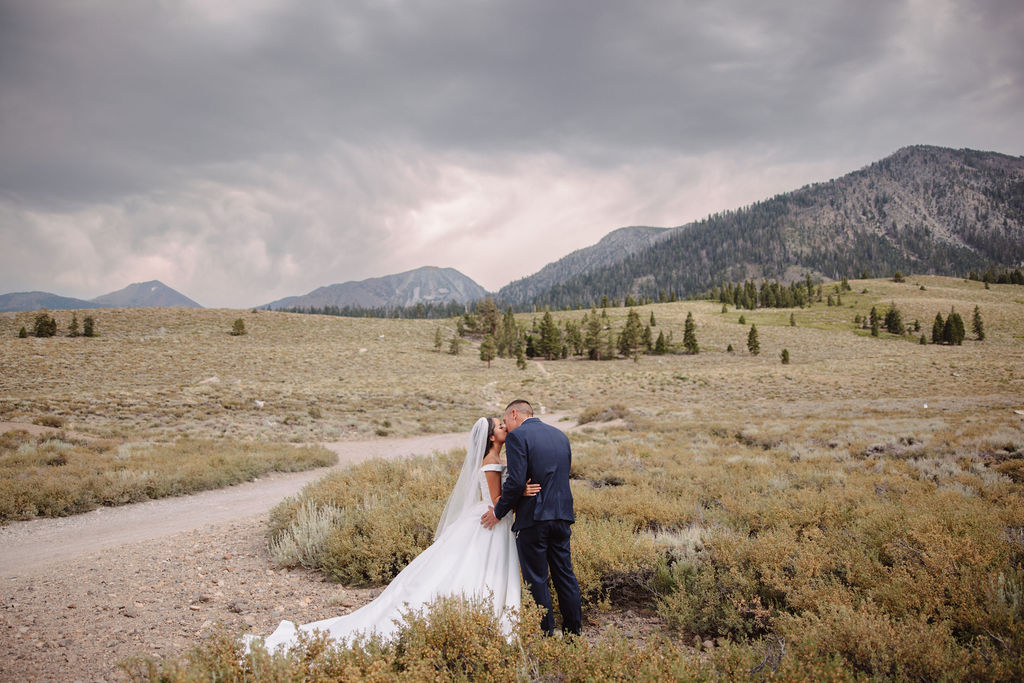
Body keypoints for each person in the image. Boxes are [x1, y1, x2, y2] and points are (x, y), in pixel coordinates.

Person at [245, 416, 539, 652]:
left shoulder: (493, 458)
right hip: (489, 521)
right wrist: (521, 493)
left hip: (485, 518)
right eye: (500, 426)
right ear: (490, 437)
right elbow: (498, 499)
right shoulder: (490, 461)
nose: (504, 428)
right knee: (478, 571)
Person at [481, 399, 583, 636]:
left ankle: (545, 634)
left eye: (505, 420)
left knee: (537, 579)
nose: (506, 427)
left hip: (534, 519)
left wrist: (498, 512)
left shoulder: (519, 437)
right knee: (564, 574)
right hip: (562, 515)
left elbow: (516, 481)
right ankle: (573, 634)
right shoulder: (560, 436)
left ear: (514, 413)